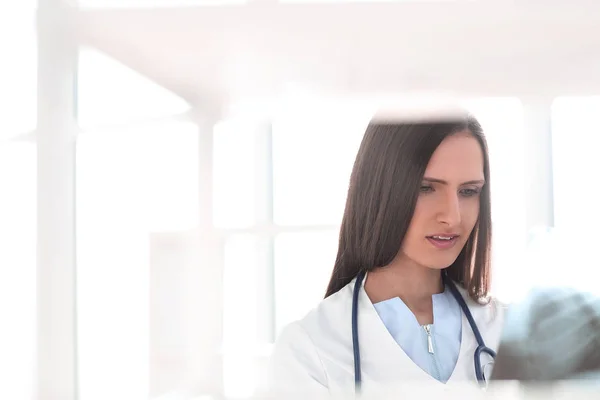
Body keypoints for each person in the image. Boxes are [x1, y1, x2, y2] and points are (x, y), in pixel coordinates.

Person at [266, 109, 506, 398]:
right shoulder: (310, 349)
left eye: (468, 191)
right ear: (381, 189)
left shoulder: (507, 331)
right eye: (426, 188)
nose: (452, 217)